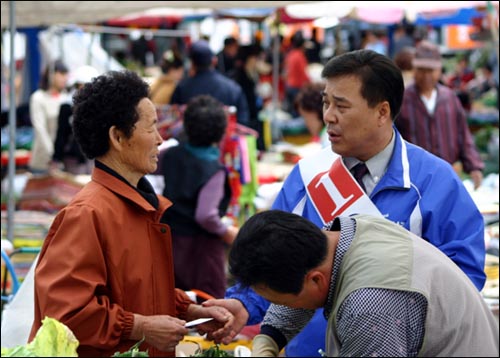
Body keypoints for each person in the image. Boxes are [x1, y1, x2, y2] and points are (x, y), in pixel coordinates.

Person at [204, 49, 487, 356]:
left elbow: (461, 280)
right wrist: (246, 303)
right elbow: (275, 258)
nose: (328, 116)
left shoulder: (435, 182)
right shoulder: (307, 176)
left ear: (381, 112)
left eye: (341, 106)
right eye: (326, 102)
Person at [29, 70, 235, 357]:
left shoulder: (138, 205)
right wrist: (139, 327)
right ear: (117, 136)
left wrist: (188, 310)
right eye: (151, 128)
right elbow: (65, 315)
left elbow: (139, 290)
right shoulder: (87, 214)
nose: (161, 140)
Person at [228, 210, 499, 357]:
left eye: (281, 300)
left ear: (315, 280)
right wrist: (270, 338)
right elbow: (298, 283)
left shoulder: (370, 305)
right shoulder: (344, 231)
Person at [159, 95, 238, 299]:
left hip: (170, 240)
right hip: (200, 250)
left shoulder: (169, 154)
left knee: (174, 300)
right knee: (207, 305)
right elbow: (206, 216)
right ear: (220, 133)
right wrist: (226, 231)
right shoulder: (214, 169)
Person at [396, 40, 485, 189]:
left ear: (439, 70)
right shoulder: (402, 100)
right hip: (414, 179)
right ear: (414, 69)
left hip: (447, 175)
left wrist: (474, 166)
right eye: (421, 69)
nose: (426, 75)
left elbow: (463, 134)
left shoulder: (449, 98)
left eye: (431, 70)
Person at [171, 40, 249, 125]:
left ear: (192, 63)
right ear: (214, 61)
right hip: (225, 137)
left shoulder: (182, 88)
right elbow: (242, 122)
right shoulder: (233, 88)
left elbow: (173, 119)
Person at [51, 65, 99, 174]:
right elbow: (61, 134)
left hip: (94, 159)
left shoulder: (98, 107)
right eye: (83, 85)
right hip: (73, 159)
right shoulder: (67, 106)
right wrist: (56, 159)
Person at [28, 59, 69, 173]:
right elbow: (40, 129)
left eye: (66, 74)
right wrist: (53, 155)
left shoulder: (66, 98)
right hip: (43, 161)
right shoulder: (38, 98)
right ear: (51, 74)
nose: (64, 78)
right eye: (61, 74)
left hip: (64, 162)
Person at [229, 44, 265, 150]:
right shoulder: (241, 77)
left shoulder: (250, 74)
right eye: (256, 58)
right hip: (245, 122)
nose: (258, 61)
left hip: (250, 119)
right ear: (250, 59)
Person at [284, 31, 310, 117]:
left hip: (289, 86)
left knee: (293, 111)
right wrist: (310, 83)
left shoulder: (290, 54)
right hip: (297, 87)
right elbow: (303, 73)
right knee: (297, 112)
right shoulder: (299, 56)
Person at [294, 82, 328, 147]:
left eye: (305, 117)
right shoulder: (321, 137)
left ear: (316, 112)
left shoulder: (328, 140)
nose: (305, 123)